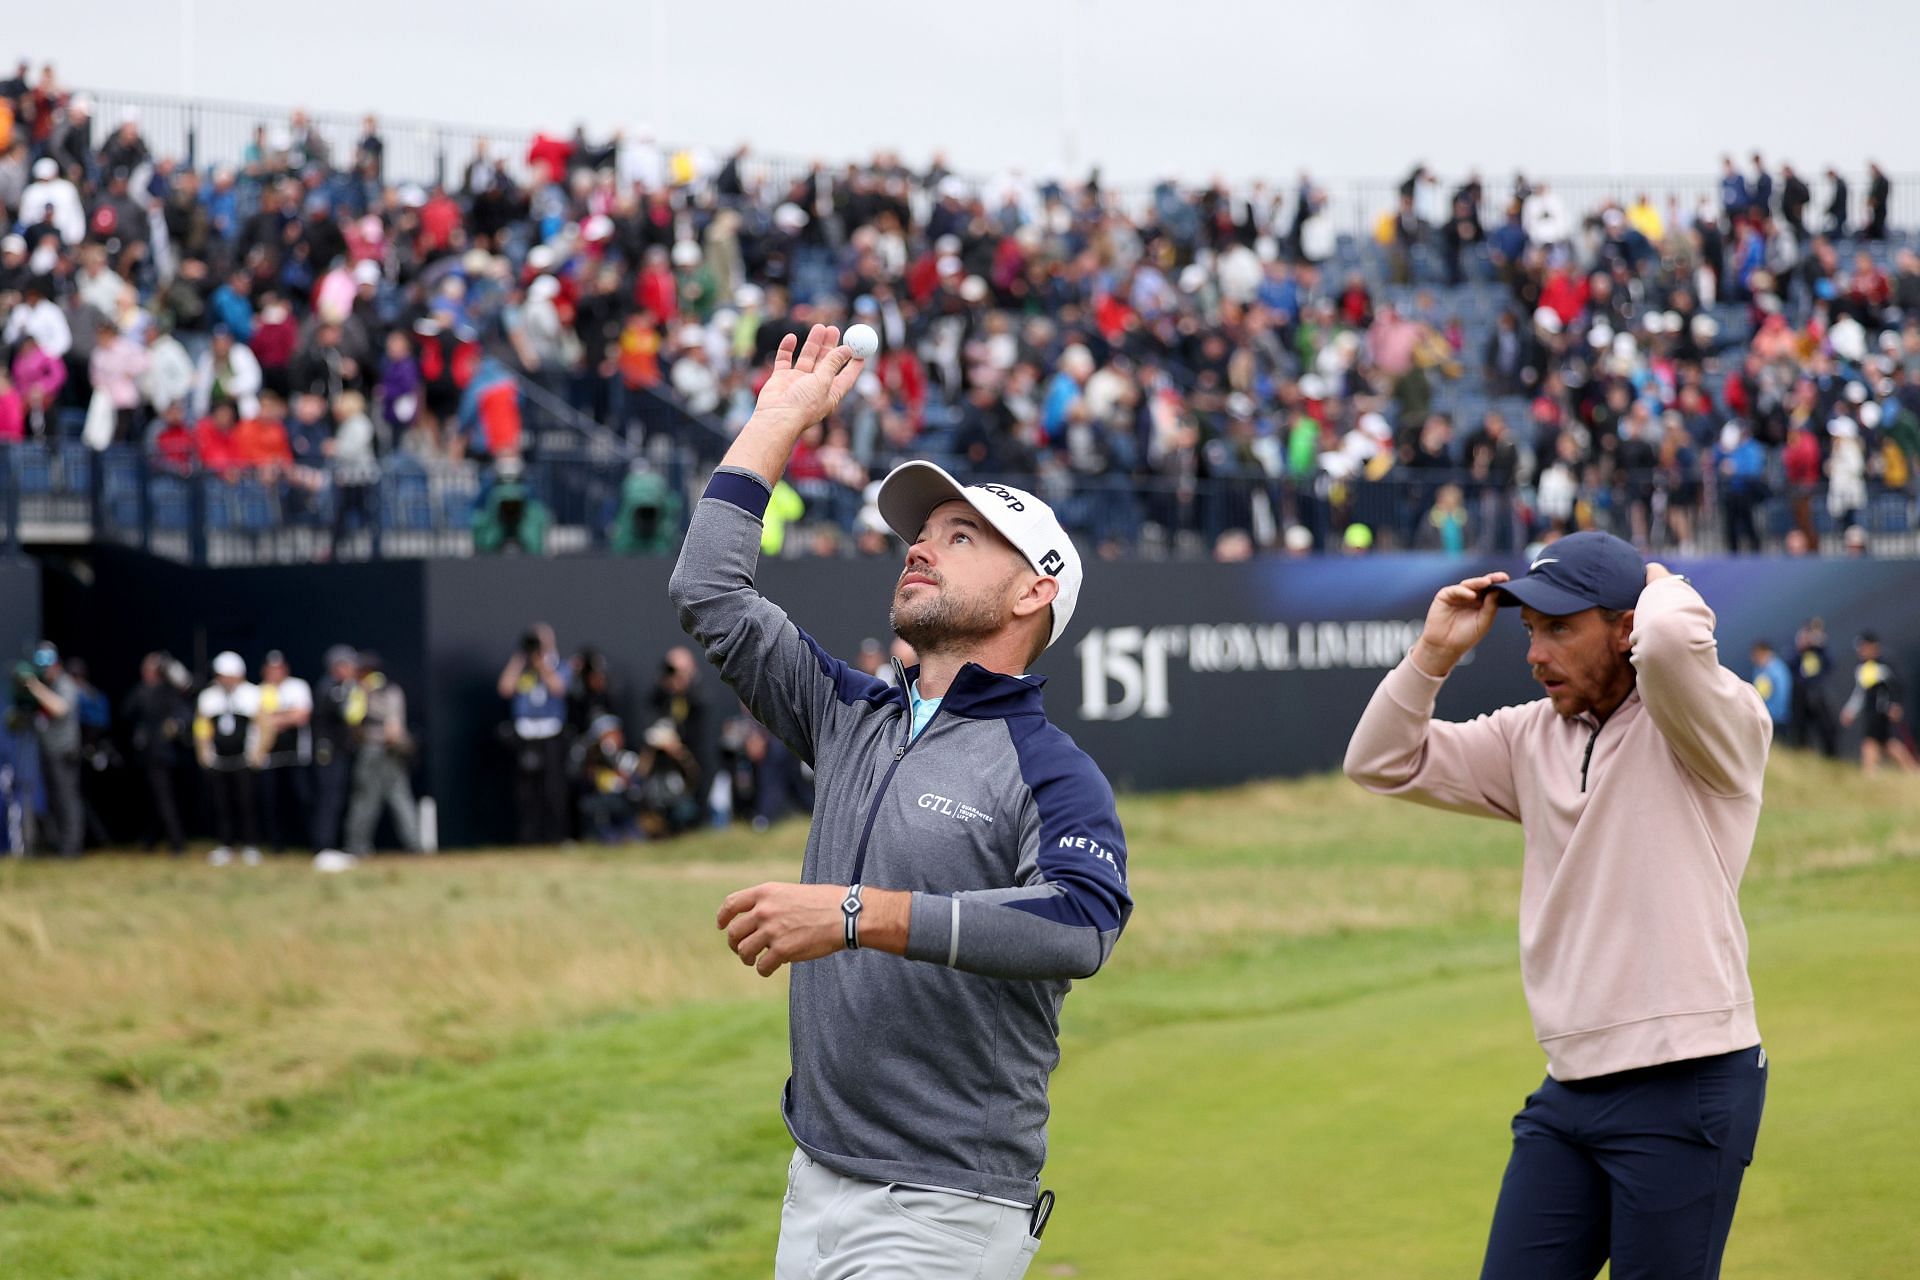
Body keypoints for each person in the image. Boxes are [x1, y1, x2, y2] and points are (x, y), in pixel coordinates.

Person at [670, 324, 1131, 1279]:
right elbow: (708, 588)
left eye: (959, 538)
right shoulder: (854, 715)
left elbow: (1080, 926)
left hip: (948, 1206)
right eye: (919, 537)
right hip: (815, 1182)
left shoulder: (1052, 767)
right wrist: (776, 419)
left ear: (1032, 593)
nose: (919, 551)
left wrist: (851, 915)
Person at [1344, 532, 1769, 1279]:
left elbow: (1672, 645)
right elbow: (1379, 761)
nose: (1537, 653)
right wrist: (1434, 655)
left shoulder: (1710, 726)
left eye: (1562, 629)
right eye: (1530, 630)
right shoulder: (1527, 736)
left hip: (1686, 1081)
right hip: (1568, 1089)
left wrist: (1660, 580)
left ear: (1626, 627)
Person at [342, 651, 421, 858]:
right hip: (390, 750)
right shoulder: (391, 690)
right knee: (399, 797)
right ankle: (414, 845)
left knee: (367, 798)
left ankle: (357, 846)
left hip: (374, 749)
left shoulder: (361, 690)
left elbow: (353, 719)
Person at [498, 624, 570, 844]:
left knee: (553, 789)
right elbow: (505, 688)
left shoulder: (560, 665)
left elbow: (558, 688)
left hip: (550, 733)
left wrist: (541, 664)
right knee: (526, 792)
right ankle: (528, 838)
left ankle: (556, 837)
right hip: (525, 734)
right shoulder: (521, 668)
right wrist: (520, 659)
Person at [195, 651, 262, 866]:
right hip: (219, 759)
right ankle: (225, 844)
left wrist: (257, 752)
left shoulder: (253, 694)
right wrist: (204, 752)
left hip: (244, 759)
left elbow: (263, 725)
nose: (224, 679)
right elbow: (202, 726)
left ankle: (250, 844)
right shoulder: (208, 696)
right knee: (221, 803)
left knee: (247, 802)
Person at [123, 651, 192, 855]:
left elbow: (184, 711)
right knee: (154, 799)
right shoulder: (143, 691)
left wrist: (176, 725)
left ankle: (177, 843)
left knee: (163, 798)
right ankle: (150, 840)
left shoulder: (167, 691)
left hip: (162, 754)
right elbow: (127, 711)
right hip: (146, 753)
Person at [19, 642, 82, 856]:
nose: (45, 672)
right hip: (50, 751)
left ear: (55, 665)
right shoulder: (50, 685)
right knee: (55, 800)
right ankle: (59, 845)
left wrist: (36, 688)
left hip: (65, 752)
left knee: (67, 800)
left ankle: (71, 848)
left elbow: (60, 708)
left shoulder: (65, 684)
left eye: (47, 667)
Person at [252, 651, 313, 855]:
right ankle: (276, 846)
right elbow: (258, 720)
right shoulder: (260, 691)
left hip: (296, 756)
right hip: (269, 756)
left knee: (302, 798)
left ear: (285, 669)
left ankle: (310, 843)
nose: (274, 673)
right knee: (271, 801)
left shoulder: (297, 686)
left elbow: (301, 716)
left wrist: (274, 719)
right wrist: (286, 716)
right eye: (270, 669)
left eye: (277, 669)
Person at [1839, 632, 1917, 777]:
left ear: (1873, 647)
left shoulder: (1884, 666)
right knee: (1888, 744)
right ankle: (1912, 770)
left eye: (1863, 647)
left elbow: (1898, 687)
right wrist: (1850, 711)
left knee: (1872, 743)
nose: (1860, 651)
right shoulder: (1861, 669)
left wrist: (1895, 705)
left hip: (1882, 712)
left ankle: (1870, 774)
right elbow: (1860, 693)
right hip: (1870, 713)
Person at [310, 644, 360, 858]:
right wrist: (358, 693)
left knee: (336, 798)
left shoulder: (341, 687)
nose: (352, 670)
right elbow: (350, 715)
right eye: (348, 665)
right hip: (328, 752)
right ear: (337, 667)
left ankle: (328, 844)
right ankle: (324, 846)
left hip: (338, 751)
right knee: (329, 798)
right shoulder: (329, 688)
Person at [1791, 618, 1840, 758]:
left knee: (1826, 726)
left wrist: (1820, 646)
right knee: (1801, 727)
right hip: (1802, 693)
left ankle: (1831, 756)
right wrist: (1800, 646)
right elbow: (1792, 665)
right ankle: (1803, 753)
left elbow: (1830, 665)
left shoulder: (1821, 652)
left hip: (1819, 693)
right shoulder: (1798, 653)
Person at [1749, 639, 1792, 731]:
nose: (1753, 658)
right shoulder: (1758, 670)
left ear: (1766, 652)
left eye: (1757, 654)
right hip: (1762, 717)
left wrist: (1769, 715)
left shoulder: (1778, 671)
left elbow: (1781, 697)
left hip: (1776, 720)